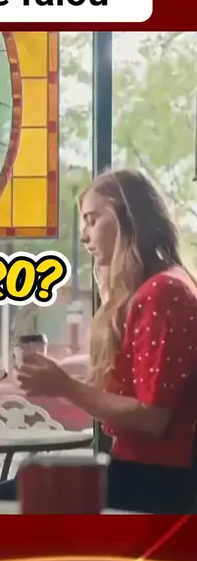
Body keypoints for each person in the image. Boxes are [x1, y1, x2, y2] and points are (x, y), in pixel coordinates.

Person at [14, 168, 197, 513]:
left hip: (152, 484)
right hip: (142, 475)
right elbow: (137, 368)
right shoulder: (161, 284)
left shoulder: (163, 292)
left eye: (92, 220)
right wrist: (61, 370)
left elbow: (153, 417)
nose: (84, 236)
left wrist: (65, 386)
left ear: (127, 218)